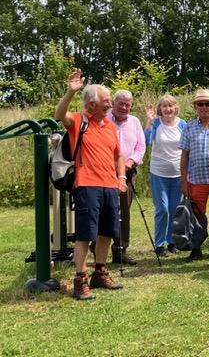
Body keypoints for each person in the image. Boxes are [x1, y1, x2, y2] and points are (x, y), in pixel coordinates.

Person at [55, 68, 126, 300]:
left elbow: (118, 156)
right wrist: (70, 92)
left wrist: (121, 177)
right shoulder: (78, 121)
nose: (109, 104)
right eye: (106, 101)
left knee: (107, 232)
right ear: (91, 104)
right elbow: (59, 114)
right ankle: (80, 280)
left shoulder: (110, 127)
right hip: (86, 185)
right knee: (85, 235)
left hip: (110, 186)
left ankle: (100, 273)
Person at [178, 88, 209, 261]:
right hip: (196, 180)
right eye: (201, 104)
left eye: (208, 104)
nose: (204, 107)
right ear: (195, 106)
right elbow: (184, 157)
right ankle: (196, 247)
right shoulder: (188, 127)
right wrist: (184, 181)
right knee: (197, 216)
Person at [144, 95, 187, 257]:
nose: (168, 109)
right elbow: (146, 141)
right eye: (164, 106)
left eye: (170, 106)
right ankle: (159, 244)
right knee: (162, 209)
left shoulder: (182, 124)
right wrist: (148, 121)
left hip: (177, 174)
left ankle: (172, 242)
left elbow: (187, 147)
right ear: (159, 109)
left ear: (175, 107)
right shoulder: (156, 123)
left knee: (174, 209)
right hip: (159, 173)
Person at [108, 89, 146, 265]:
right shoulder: (104, 119)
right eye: (121, 103)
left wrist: (130, 162)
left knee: (124, 212)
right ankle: (95, 247)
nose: (124, 107)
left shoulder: (135, 122)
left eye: (127, 105)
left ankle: (120, 250)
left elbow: (141, 147)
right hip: (105, 171)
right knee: (104, 210)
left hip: (128, 171)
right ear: (113, 103)